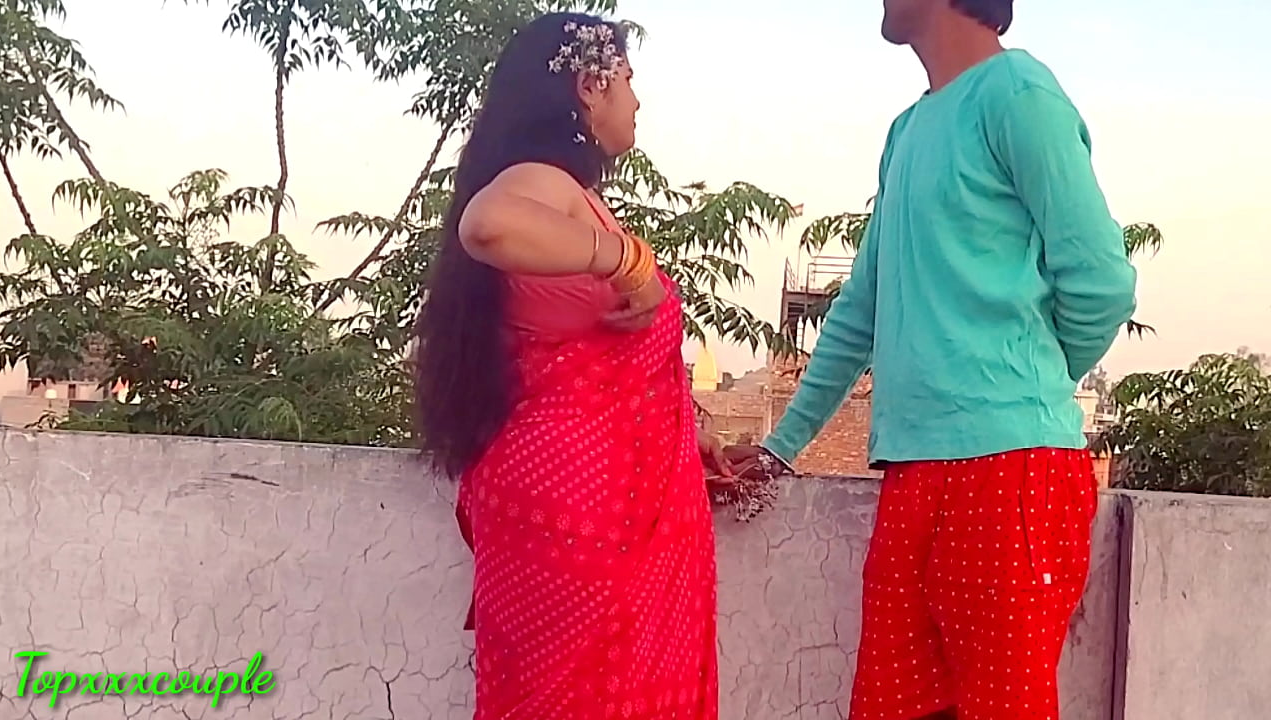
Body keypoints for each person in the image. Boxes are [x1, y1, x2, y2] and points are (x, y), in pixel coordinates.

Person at [729, 1, 1138, 718]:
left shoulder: (1019, 95)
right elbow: (861, 308)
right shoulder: (907, 131)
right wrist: (780, 446)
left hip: (1012, 469)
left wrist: (1025, 382)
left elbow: (1102, 282)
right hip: (913, 471)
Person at [413, 12, 730, 720]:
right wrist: (627, 260)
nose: (637, 101)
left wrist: (689, 432)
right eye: (628, 81)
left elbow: (597, 357)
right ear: (590, 86)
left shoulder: (574, 199)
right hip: (586, 509)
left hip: (580, 501)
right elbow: (487, 225)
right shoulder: (541, 181)